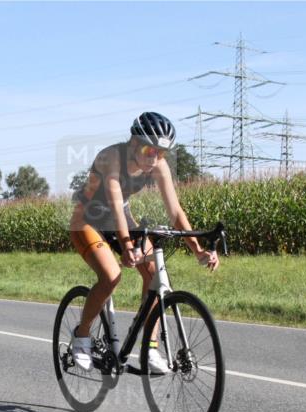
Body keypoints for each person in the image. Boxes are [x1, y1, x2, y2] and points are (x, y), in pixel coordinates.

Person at [68, 111, 219, 373]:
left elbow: (175, 212)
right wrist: (127, 245)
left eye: (161, 153)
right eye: (150, 150)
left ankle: (149, 347)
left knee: (154, 275)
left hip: (120, 219)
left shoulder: (158, 165)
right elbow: (115, 201)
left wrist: (198, 249)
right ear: (134, 143)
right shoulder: (111, 157)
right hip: (88, 219)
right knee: (112, 276)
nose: (155, 157)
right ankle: (81, 337)